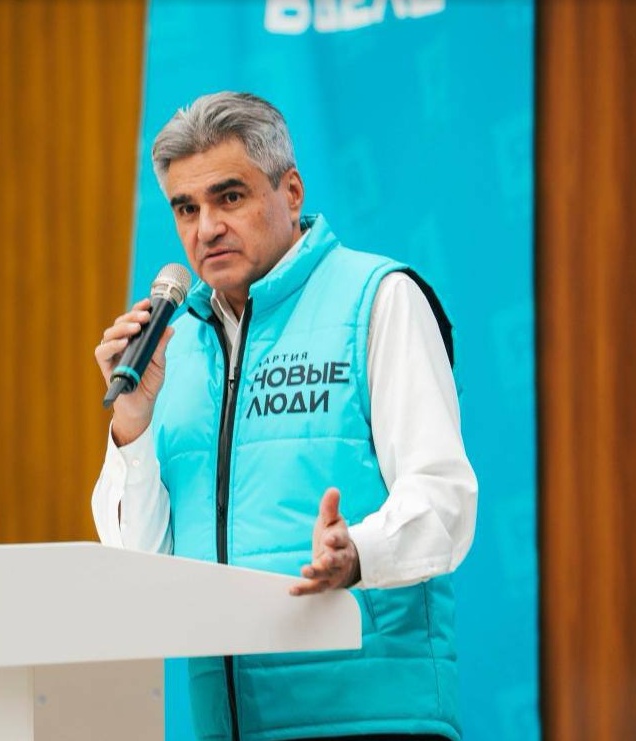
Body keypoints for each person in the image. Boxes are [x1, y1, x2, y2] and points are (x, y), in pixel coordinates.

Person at [91, 92, 477, 741]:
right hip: (230, 723)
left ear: (290, 191)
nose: (206, 227)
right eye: (186, 208)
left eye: (229, 197)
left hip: (371, 715)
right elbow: (140, 562)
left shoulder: (379, 298)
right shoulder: (170, 349)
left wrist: (359, 553)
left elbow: (445, 498)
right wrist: (131, 422)